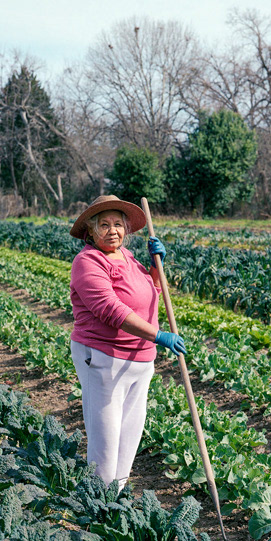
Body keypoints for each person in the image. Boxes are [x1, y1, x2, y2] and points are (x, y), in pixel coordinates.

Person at [68, 194, 185, 492]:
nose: (113, 231)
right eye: (104, 224)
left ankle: (115, 498)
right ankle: (97, 508)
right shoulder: (87, 262)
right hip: (103, 359)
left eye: (118, 224)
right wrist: (159, 336)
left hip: (141, 361)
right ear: (90, 231)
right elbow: (110, 309)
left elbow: (152, 292)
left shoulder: (129, 258)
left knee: (129, 437)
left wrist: (156, 267)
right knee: (106, 443)